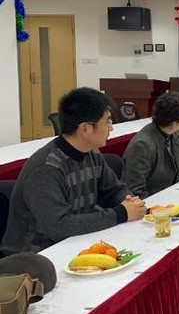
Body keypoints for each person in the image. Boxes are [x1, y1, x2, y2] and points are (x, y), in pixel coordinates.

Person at [0, 87, 146, 255]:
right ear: (85, 129)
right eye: (107, 122)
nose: (111, 129)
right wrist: (120, 214)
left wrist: (129, 202)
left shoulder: (91, 153)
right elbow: (59, 226)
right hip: (35, 255)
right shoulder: (46, 168)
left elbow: (114, 189)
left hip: (75, 240)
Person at [122, 92, 179, 199]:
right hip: (151, 202)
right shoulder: (142, 145)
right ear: (175, 123)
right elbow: (135, 191)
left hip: (170, 195)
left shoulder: (171, 135)